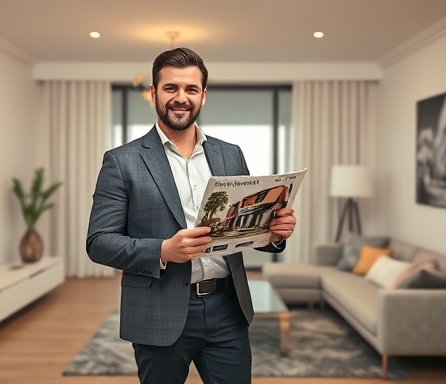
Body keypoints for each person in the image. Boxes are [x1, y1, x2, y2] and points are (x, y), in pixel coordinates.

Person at [86, 47, 297, 384]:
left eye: (191, 89)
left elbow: (242, 227)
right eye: (171, 88)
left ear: (203, 96)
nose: (180, 98)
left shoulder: (230, 155)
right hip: (158, 311)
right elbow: (99, 242)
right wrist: (162, 251)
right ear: (154, 93)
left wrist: (272, 233)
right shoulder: (121, 161)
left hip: (227, 308)